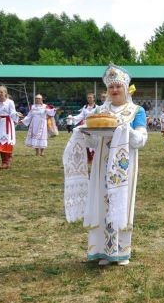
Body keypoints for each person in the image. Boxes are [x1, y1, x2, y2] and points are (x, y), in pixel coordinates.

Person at [63, 64, 148, 266]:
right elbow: (94, 142)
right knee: (100, 202)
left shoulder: (137, 111)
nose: (115, 90)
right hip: (102, 164)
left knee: (121, 203)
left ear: (126, 88)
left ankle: (120, 251)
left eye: (118, 86)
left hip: (124, 167)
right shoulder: (100, 111)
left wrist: (126, 129)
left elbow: (141, 141)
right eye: (111, 87)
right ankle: (102, 250)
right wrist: (83, 135)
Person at [0, 85, 23, 169]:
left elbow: (12, 112)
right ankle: (5, 160)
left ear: (5, 93)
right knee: (0, 142)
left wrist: (16, 114)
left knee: (6, 141)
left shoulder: (10, 102)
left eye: (1, 92)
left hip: (7, 124)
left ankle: (6, 162)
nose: (0, 94)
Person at [69, 92, 99, 162]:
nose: (89, 99)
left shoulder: (98, 108)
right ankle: (87, 157)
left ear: (94, 98)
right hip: (86, 125)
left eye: (91, 97)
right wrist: (72, 118)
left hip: (94, 126)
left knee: (93, 141)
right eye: (88, 98)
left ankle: (95, 156)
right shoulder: (85, 107)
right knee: (85, 140)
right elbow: (81, 116)